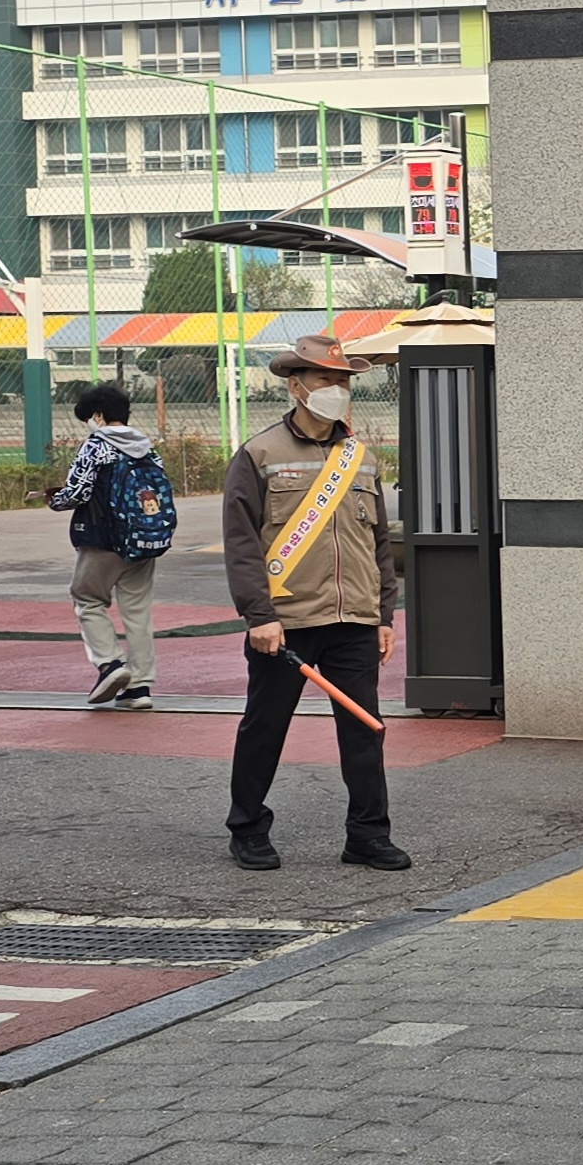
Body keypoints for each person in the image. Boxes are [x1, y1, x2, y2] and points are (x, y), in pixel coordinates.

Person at [222, 332, 406, 871]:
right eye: (326, 379)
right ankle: (247, 829)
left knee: (364, 730)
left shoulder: (361, 457)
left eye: (344, 381)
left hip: (355, 620)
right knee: (265, 726)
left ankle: (368, 835)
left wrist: (384, 615)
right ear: (296, 386)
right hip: (286, 623)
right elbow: (241, 542)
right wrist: (259, 615)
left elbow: (377, 543)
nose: (337, 389)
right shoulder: (259, 454)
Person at [50, 380, 171, 710]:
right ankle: (139, 687)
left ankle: (110, 664)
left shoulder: (96, 447)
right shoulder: (147, 447)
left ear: (99, 416)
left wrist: (53, 499)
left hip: (104, 539)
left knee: (87, 598)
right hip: (145, 538)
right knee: (138, 612)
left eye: (89, 418)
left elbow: (77, 492)